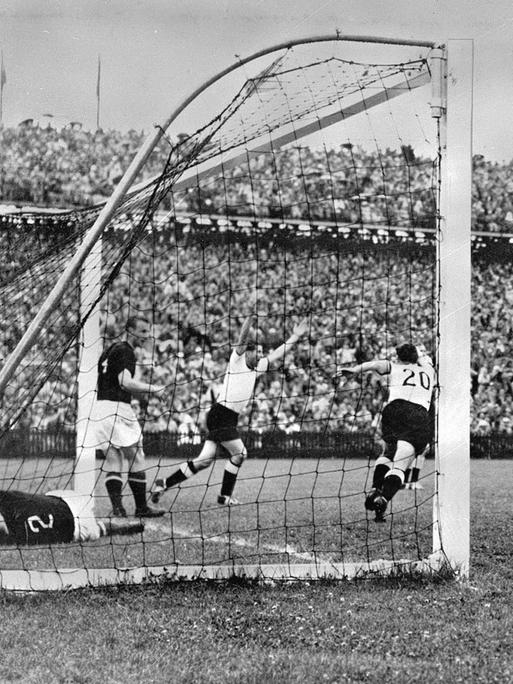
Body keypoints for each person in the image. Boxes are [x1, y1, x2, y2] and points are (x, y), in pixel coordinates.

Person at [151, 314, 309, 506]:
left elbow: (279, 352)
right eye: (256, 352)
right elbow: (242, 340)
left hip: (226, 417)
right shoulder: (237, 361)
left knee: (204, 460)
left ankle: (163, 483)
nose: (260, 355)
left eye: (260, 352)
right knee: (240, 453)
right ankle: (224, 496)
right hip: (221, 415)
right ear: (247, 352)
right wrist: (249, 320)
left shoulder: (258, 367)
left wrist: (296, 336)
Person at [338, 342, 434, 522]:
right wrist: (420, 355)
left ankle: (375, 488)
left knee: (388, 452)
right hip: (418, 414)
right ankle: (384, 498)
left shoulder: (395, 366)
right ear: (417, 358)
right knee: (401, 464)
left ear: (399, 357)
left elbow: (375, 364)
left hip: (394, 409)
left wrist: (355, 370)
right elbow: (424, 360)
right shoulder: (429, 370)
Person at [87, 315, 167, 518]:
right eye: (142, 331)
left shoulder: (110, 350)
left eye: (147, 331)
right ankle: (141, 508)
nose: (146, 336)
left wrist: (140, 397)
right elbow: (125, 382)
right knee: (136, 455)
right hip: (117, 409)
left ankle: (118, 509)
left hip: (101, 408)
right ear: (130, 330)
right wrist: (154, 389)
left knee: (114, 458)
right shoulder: (126, 351)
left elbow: (114, 382)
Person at [0, 489, 144, 546]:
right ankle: (114, 527)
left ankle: (111, 527)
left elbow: (3, 528)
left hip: (76, 527)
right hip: (66, 501)